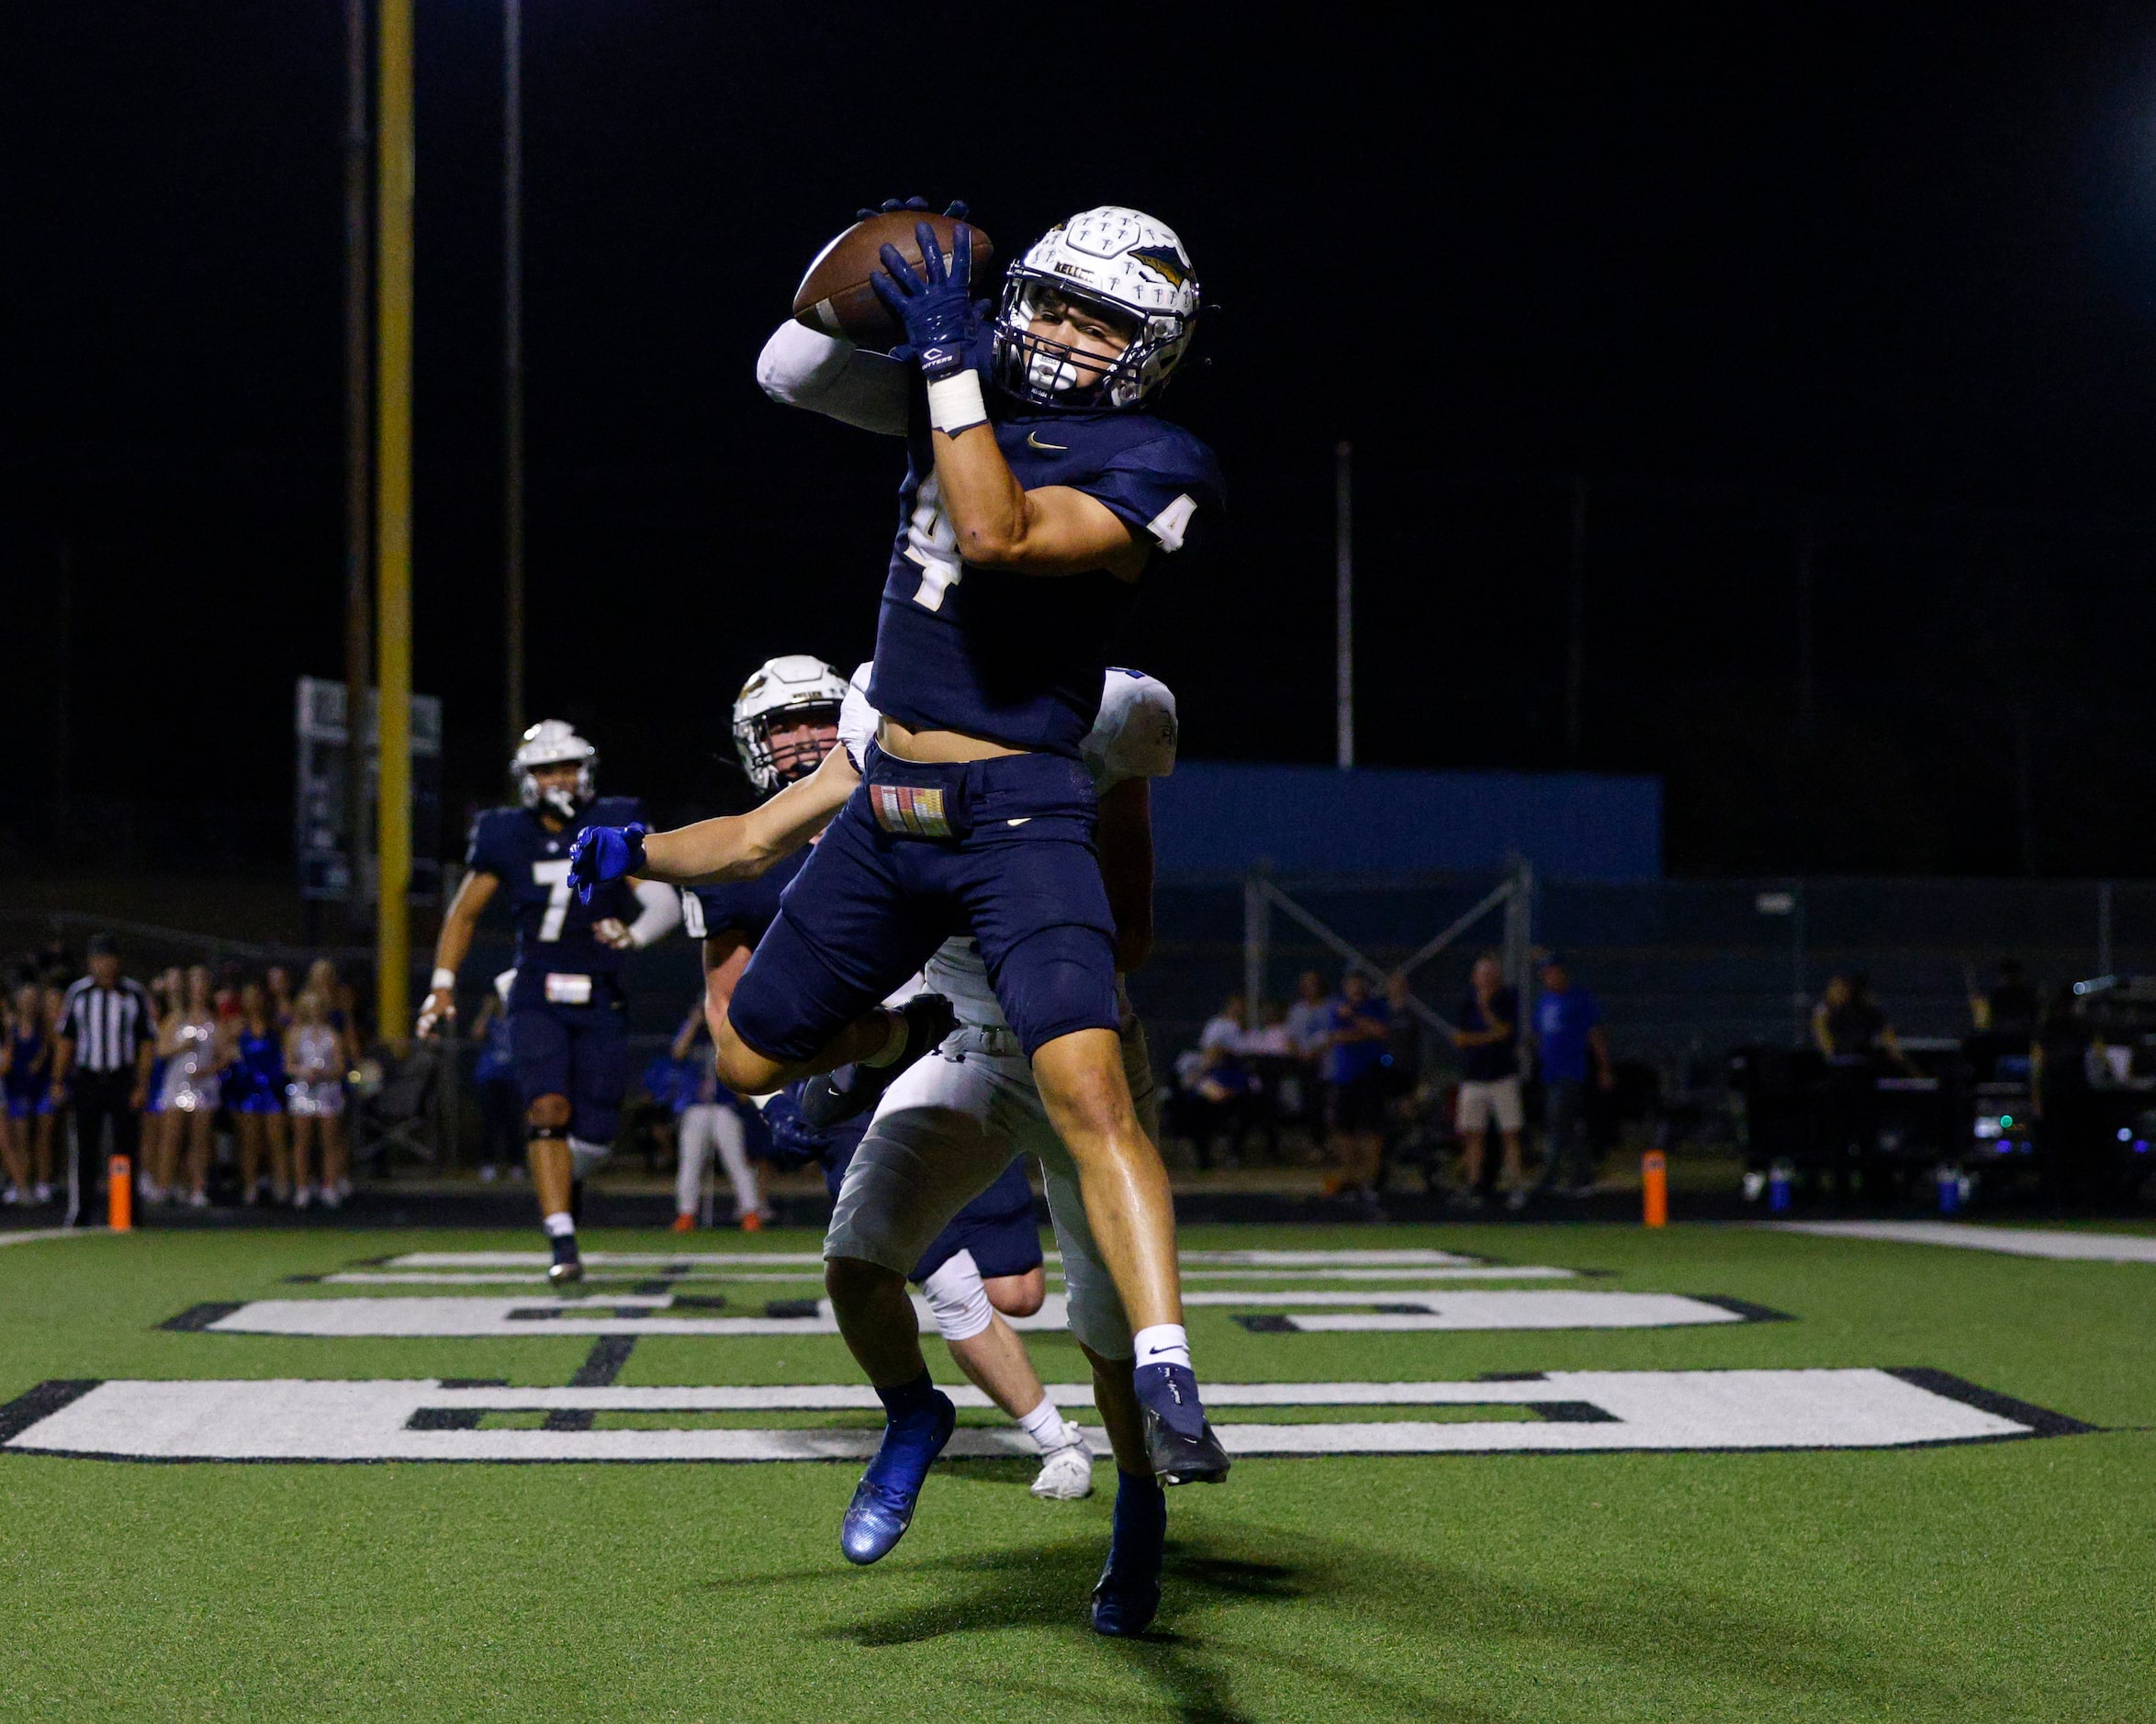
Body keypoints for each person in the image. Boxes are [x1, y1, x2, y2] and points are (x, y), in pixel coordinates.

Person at [648, 197, 1227, 1500]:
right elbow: (786, 365)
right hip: (899, 801)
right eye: (1056, 303)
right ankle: (895, 1053)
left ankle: (1167, 1370)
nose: (1069, 337)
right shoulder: (951, 383)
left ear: (1153, 349)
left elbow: (997, 531)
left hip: (1022, 811)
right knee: (747, 1050)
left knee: (1092, 1093)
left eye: (1104, 320)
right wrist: (902, 275)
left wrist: (948, 361)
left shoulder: (1157, 458)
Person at [583, 661, 1193, 1631]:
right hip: (961, 1039)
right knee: (857, 1263)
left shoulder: (1111, 707)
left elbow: (1127, 937)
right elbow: (750, 841)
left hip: (1079, 1040)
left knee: (1103, 1334)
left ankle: (1136, 1505)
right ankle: (916, 1411)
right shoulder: (887, 705)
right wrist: (638, 852)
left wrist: (1011, 851)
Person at [416, 721, 680, 1284]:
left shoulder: (613, 818)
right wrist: (442, 983)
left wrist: (635, 936)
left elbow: (663, 898)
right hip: (535, 989)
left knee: (598, 1133)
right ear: (526, 779)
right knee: (547, 1109)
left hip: (601, 992)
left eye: (567, 766)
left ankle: (565, 1178)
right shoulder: (505, 833)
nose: (559, 778)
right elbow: (463, 913)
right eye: (546, 769)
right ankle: (561, 1237)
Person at [669, 655, 856, 1228]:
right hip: (849, 1068)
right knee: (886, 1252)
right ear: (756, 740)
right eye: (783, 726)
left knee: (1019, 1286)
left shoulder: (902, 814)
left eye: (820, 719)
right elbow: (726, 1004)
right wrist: (773, 1101)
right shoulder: (734, 858)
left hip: (954, 1051)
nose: (805, 740)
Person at [51, 935, 156, 1226]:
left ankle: (128, 1212)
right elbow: (66, 1039)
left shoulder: (133, 993)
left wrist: (141, 1084)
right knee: (85, 1147)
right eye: (99, 959)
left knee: (126, 1146)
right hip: (88, 1076)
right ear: (91, 962)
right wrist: (58, 1079)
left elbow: (146, 1042)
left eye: (109, 958)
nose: (104, 964)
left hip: (122, 1077)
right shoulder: (79, 993)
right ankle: (81, 1212)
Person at [668, 1002, 767, 1232]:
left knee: (737, 1162)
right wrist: (694, 1021)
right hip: (696, 1106)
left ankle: (751, 1212)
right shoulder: (693, 1036)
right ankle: (686, 1214)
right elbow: (677, 1051)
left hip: (724, 1106)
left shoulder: (727, 1033)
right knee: (690, 1163)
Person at [1533, 954, 1615, 1196]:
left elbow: (1595, 1035)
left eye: (1553, 972)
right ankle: (1582, 1174)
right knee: (1565, 1126)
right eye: (1546, 974)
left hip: (1570, 1071)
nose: (1550, 977)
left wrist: (1604, 1068)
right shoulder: (1545, 1002)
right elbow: (1541, 1036)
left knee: (1558, 1123)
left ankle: (1550, 1176)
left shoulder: (1579, 1000)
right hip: (1550, 1072)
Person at [1451, 953, 1525, 1211]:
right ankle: (1474, 1185)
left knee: (1510, 1133)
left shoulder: (1507, 999)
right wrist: (1488, 1037)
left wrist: (1485, 1011)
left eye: (1491, 974)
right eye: (1483, 974)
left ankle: (1515, 1186)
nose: (1487, 979)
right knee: (1473, 1135)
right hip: (1474, 1077)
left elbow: (1505, 1032)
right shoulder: (1465, 1002)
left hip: (1502, 1076)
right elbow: (1460, 1039)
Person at [152, 965, 225, 1207]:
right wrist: (182, 1047)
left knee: (200, 1139)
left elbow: (224, 1056)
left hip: (203, 1086)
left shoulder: (213, 1022)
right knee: (171, 1137)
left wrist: (209, 1070)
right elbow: (161, 1050)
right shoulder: (175, 1019)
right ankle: (164, 1187)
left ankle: (198, 1187)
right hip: (177, 1085)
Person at [1322, 971, 1392, 1207]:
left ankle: (1370, 1181)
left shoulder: (1375, 1007)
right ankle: (1349, 1178)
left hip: (1371, 1076)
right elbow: (1337, 1037)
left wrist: (1354, 1019)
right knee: (1343, 1128)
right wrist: (1363, 1032)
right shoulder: (1336, 1007)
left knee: (1372, 1130)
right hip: (1345, 1077)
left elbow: (1381, 1032)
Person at [225, 980, 290, 1204]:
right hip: (248, 1091)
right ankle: (250, 1185)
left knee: (276, 1141)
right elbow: (229, 1054)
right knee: (250, 1142)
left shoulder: (275, 1026)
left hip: (271, 1090)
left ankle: (281, 1185)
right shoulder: (237, 1026)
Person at [285, 990, 347, 1207]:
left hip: (327, 1091)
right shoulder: (295, 1034)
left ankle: (329, 1186)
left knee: (330, 1141)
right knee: (302, 1142)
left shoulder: (332, 1034)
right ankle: (302, 1187)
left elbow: (340, 1066)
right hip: (303, 1090)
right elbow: (289, 1064)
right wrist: (304, 1072)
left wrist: (324, 1073)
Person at [2, 982, 56, 1204]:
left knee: (44, 1135)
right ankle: (22, 1182)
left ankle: (42, 1181)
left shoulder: (44, 1028)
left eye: (33, 999)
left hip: (40, 1087)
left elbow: (46, 1055)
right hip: (17, 1089)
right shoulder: (10, 1028)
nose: (28, 1003)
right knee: (21, 1137)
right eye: (25, 999)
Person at [467, 974, 523, 1183]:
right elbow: (476, 1033)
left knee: (512, 1122)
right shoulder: (489, 1021)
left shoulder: (516, 1020)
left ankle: (516, 1164)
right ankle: (487, 1163)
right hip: (489, 1077)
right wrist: (487, 1009)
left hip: (512, 1078)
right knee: (489, 1122)